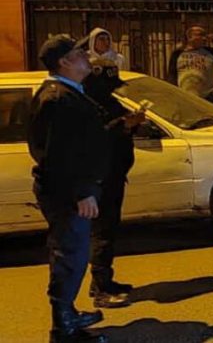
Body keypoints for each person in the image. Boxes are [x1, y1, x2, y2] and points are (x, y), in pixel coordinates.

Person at [28, 35, 110, 343]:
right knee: (70, 256)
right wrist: (82, 191)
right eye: (79, 53)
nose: (86, 56)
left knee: (73, 253)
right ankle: (64, 328)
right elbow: (59, 154)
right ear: (64, 62)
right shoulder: (58, 98)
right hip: (68, 193)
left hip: (69, 189)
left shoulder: (68, 93)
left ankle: (68, 314)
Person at [83, 58, 146, 309]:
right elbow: (94, 139)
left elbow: (118, 129)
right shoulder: (86, 105)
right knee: (102, 233)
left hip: (114, 175)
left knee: (108, 231)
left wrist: (131, 123)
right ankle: (101, 288)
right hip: (100, 178)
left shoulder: (108, 101)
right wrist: (122, 124)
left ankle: (103, 281)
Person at [167, 25, 213, 102]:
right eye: (200, 35)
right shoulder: (178, 53)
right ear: (190, 37)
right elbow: (172, 74)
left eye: (204, 35)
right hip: (184, 94)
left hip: (206, 96)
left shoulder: (209, 52)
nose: (204, 38)